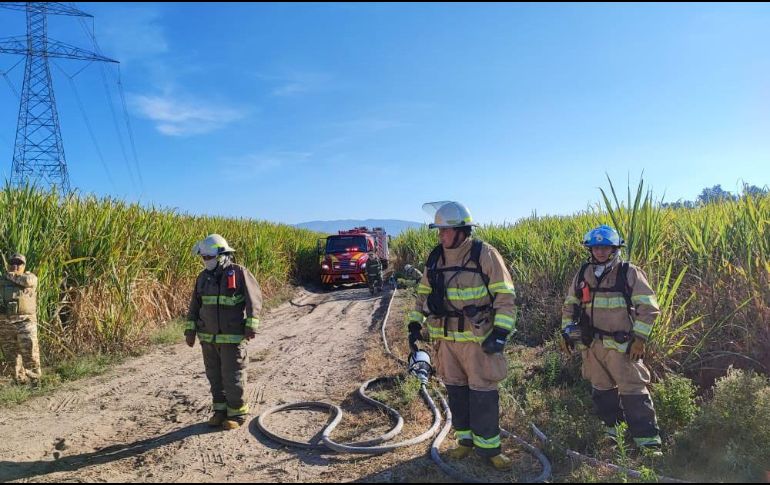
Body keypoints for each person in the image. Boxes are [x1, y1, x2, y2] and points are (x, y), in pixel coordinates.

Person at [407, 201, 517, 470]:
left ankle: (490, 449)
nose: (440, 235)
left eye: (444, 230)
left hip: (478, 341)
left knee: (483, 394)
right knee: (456, 392)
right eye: (439, 230)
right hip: (446, 342)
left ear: (461, 231)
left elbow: (505, 296)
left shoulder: (485, 255)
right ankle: (464, 442)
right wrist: (414, 324)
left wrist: (501, 333)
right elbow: (423, 294)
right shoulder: (436, 258)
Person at [560, 225, 663, 453]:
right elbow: (570, 305)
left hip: (622, 346)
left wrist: (640, 339)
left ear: (615, 248)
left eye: (605, 247)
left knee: (633, 391)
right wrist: (567, 332)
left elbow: (648, 307)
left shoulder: (628, 272)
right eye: (596, 248)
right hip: (592, 345)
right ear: (590, 249)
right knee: (602, 390)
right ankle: (613, 433)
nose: (600, 252)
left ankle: (648, 442)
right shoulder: (583, 273)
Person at [184, 235, 262, 430]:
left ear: (221, 254)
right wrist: (190, 331)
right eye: (203, 257)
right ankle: (220, 411)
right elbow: (195, 306)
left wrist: (251, 325)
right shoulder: (202, 278)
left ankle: (237, 413)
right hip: (208, 339)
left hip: (232, 338)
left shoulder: (239, 273)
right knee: (214, 376)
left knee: (232, 376)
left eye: (208, 256)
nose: (205, 261)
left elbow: (254, 300)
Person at [0, 253, 41, 387]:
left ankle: (36, 382)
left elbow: (28, 282)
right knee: (12, 357)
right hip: (6, 325)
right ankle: (20, 383)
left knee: (30, 354)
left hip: (25, 323)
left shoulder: (30, 278)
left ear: (24, 266)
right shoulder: (2, 281)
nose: (15, 266)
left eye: (19, 263)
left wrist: (9, 275)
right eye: (12, 263)